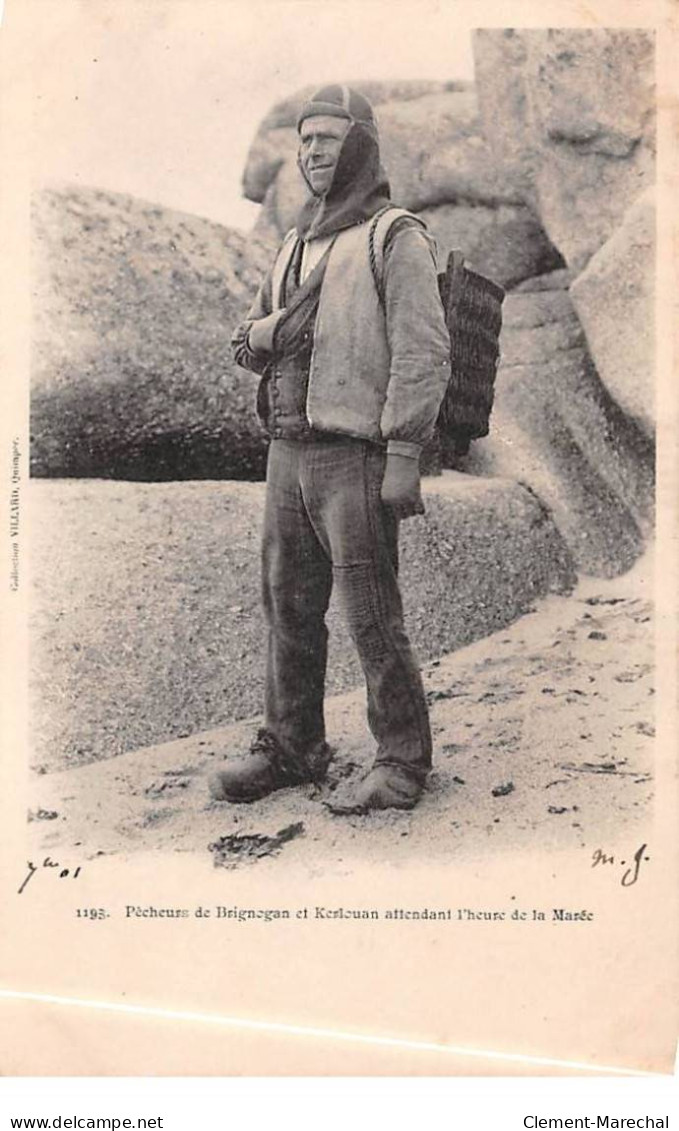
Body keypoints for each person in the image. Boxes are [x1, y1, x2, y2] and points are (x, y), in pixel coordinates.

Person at [209, 84, 451, 811]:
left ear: (360, 147)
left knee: (372, 613)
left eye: (327, 139)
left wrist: (404, 454)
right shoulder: (292, 244)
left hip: (356, 456)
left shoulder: (393, 236)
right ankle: (293, 747)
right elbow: (243, 341)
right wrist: (270, 333)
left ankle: (402, 763)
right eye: (304, 140)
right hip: (286, 455)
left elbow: (423, 351)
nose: (312, 151)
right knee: (287, 605)